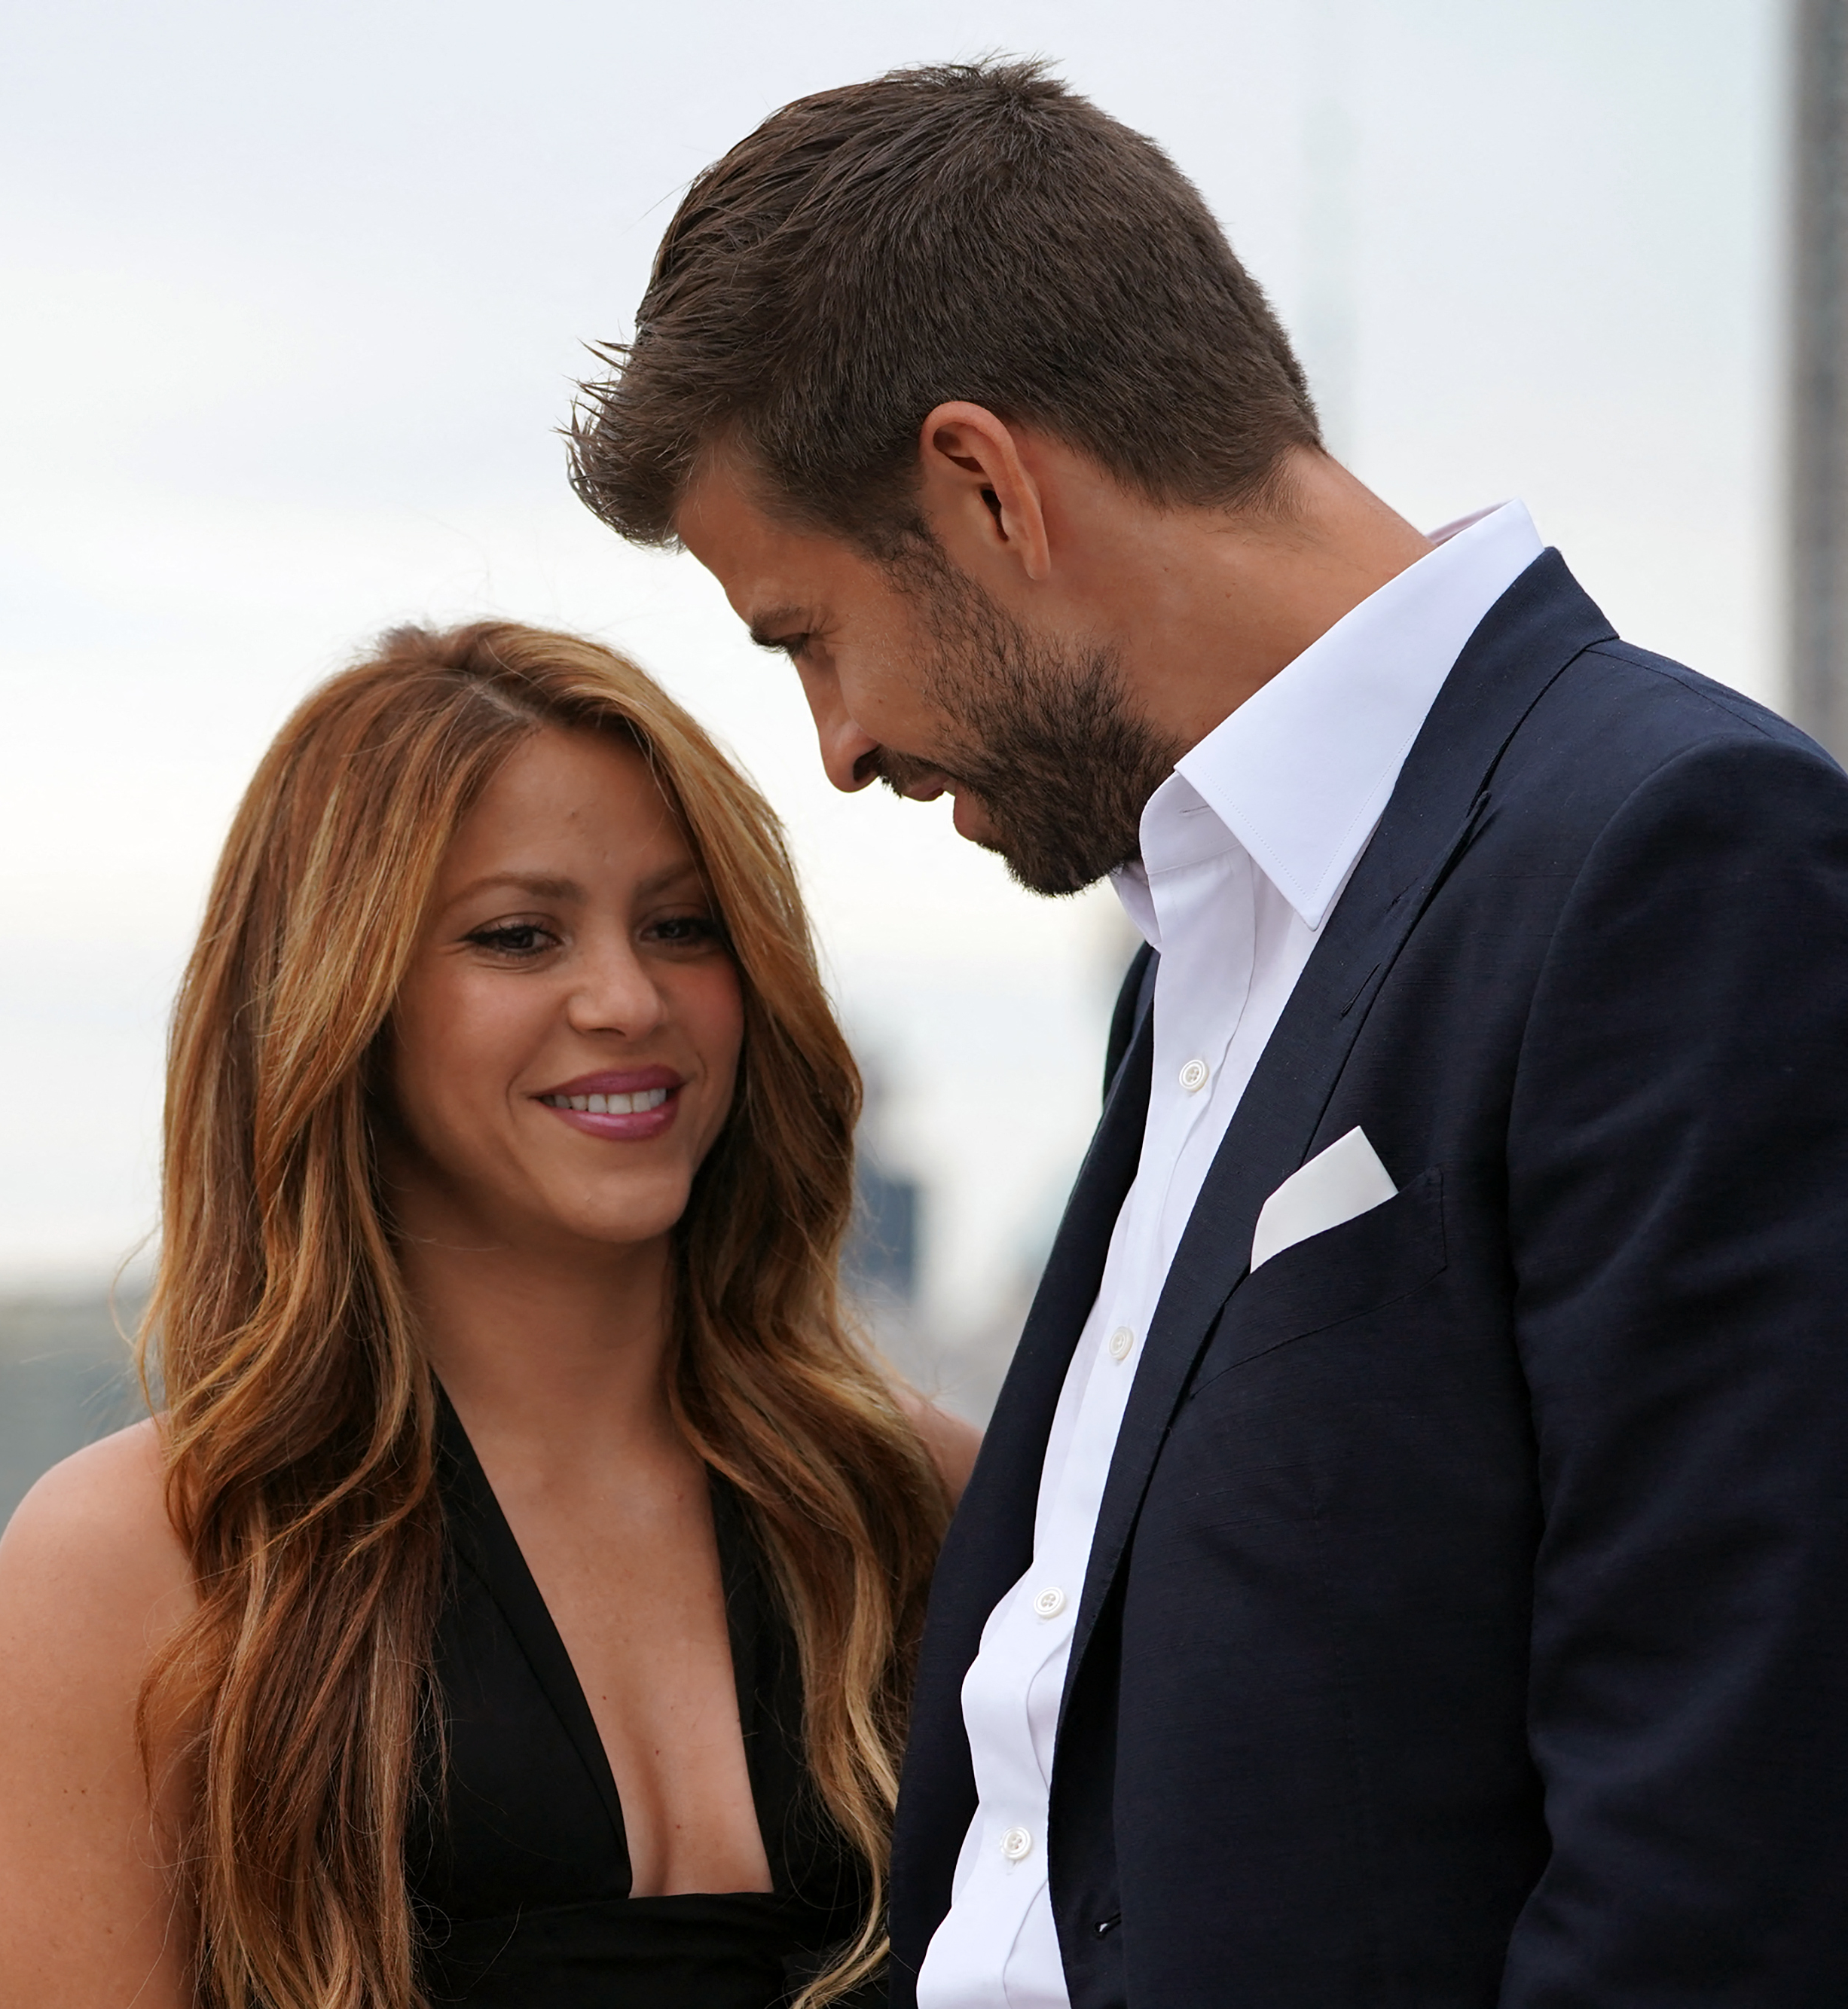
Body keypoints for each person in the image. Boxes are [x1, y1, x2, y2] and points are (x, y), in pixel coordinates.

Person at [566, 56, 1848, 2009]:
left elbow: (1727, 1842)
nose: (832, 750)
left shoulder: (1672, 858)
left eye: (806, 634)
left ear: (985, 486)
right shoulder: (1203, 955)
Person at [0, 621, 978, 2009]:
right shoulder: (148, 1563)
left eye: (682, 928)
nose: (627, 999)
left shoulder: (927, 1504)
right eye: (520, 936)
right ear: (343, 1001)